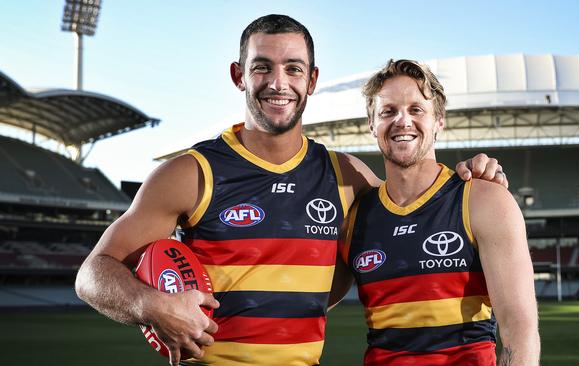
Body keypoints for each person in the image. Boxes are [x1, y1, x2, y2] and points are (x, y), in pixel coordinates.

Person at [75, 15, 507, 366]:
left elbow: (418, 204)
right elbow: (92, 273)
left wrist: (475, 177)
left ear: (312, 79)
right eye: (262, 66)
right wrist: (151, 306)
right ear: (238, 76)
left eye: (293, 68)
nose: (278, 82)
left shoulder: (346, 176)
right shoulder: (191, 173)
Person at [331, 59, 539, 366]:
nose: (402, 121)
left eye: (416, 109)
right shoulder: (356, 219)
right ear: (372, 124)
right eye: (388, 111)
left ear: (438, 120)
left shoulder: (483, 200)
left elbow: (519, 330)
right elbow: (306, 304)